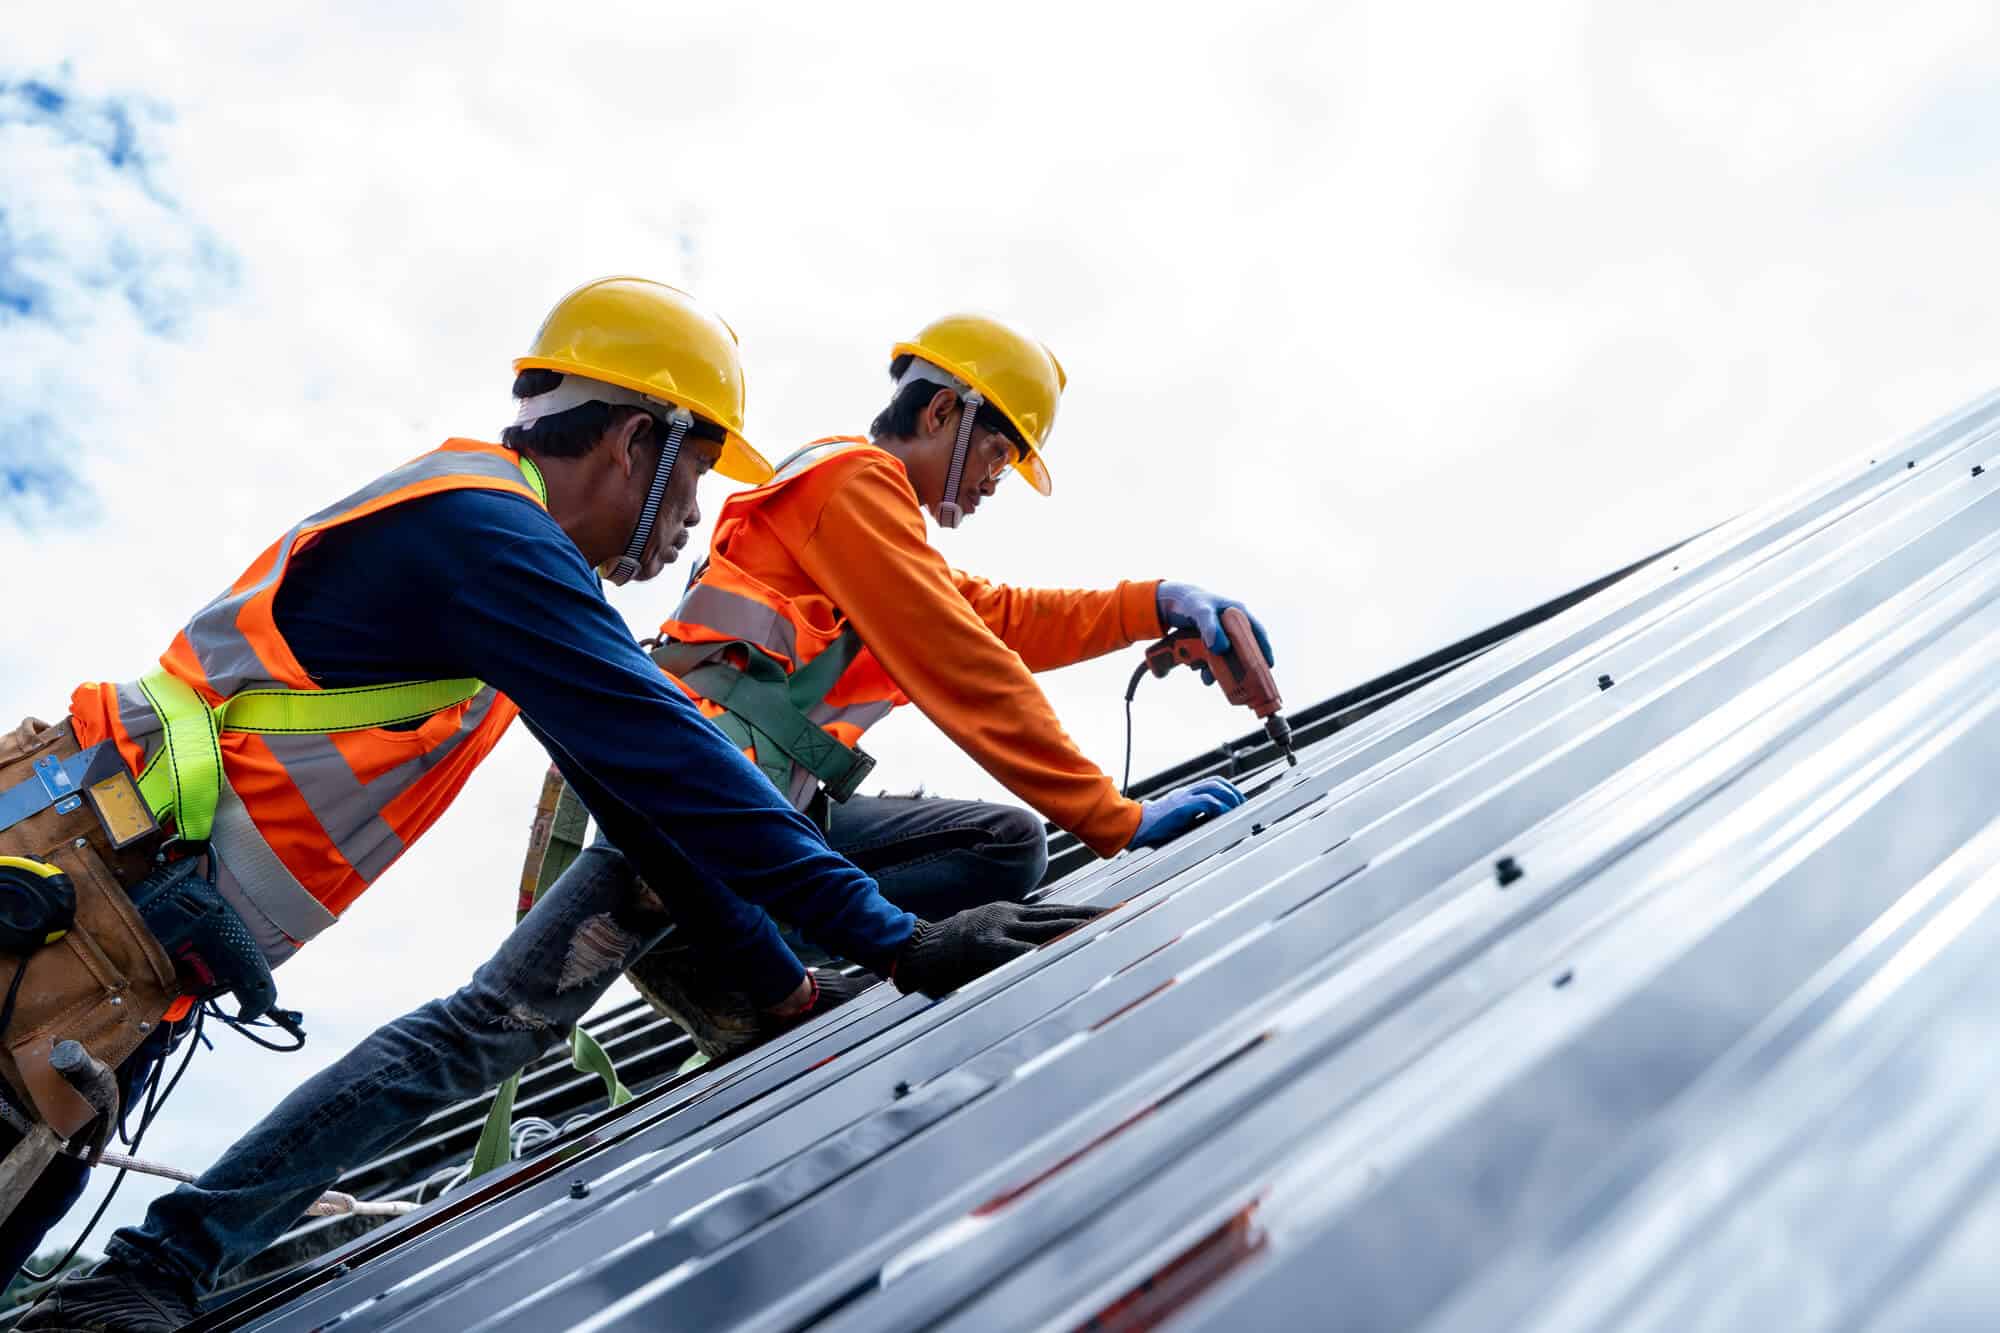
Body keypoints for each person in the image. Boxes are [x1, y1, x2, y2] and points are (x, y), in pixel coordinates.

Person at [17, 279, 1094, 1332]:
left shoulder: (492, 558)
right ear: (635, 440)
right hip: (77, 898)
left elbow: (637, 801)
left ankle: (151, 1270)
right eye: (690, 483)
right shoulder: (485, 535)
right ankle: (162, 1261)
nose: (688, 522)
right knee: (483, 1025)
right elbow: (671, 757)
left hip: (129, 939)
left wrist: (789, 983)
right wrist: (896, 938)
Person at [626, 312, 1268, 1057]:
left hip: (749, 809)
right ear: (940, 412)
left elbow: (1002, 619)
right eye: (998, 451)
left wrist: (1153, 602)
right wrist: (1112, 817)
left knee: (1008, 844)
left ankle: (760, 963)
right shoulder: (851, 484)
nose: (996, 479)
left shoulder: (872, 527)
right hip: (698, 812)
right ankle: (736, 953)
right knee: (1008, 847)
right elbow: (965, 662)